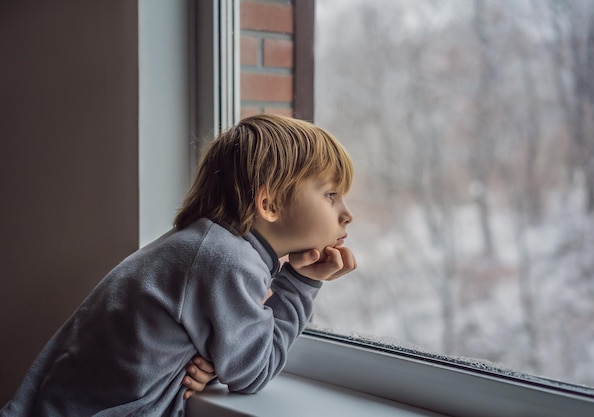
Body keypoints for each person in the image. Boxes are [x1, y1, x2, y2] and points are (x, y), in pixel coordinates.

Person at [1, 114, 356, 416]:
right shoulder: (227, 262)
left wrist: (217, 364)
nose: (347, 215)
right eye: (330, 195)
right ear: (270, 204)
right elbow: (254, 373)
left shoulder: (201, 245)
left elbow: (198, 338)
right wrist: (299, 285)